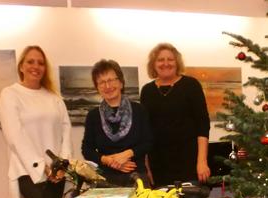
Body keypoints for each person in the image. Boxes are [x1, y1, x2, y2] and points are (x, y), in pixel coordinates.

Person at [0, 45, 71, 198]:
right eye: (30, 61)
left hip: (57, 173)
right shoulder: (10, 94)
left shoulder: (54, 98)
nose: (35, 66)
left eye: (40, 63)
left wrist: (62, 166)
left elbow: (66, 130)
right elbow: (14, 135)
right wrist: (41, 166)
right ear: (21, 66)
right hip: (27, 171)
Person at [141, 43, 211, 186]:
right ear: (153, 64)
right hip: (159, 167)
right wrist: (146, 168)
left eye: (170, 59)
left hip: (189, 165)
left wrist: (202, 162)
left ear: (177, 62)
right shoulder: (147, 91)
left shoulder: (191, 85)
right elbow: (145, 132)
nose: (165, 63)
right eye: (160, 60)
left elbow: (203, 125)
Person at [81, 59, 152, 187]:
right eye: (102, 82)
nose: (107, 86)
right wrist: (108, 160)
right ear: (97, 87)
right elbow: (86, 149)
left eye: (111, 80)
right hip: (106, 180)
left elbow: (149, 142)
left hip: (137, 178)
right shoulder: (93, 116)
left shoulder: (139, 110)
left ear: (121, 82)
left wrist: (127, 154)